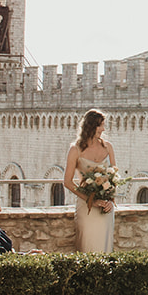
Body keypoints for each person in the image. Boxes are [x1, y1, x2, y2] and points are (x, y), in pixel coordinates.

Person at [65, 108, 116, 253]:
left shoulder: (108, 147)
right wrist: (90, 200)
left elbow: (114, 176)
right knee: (87, 247)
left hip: (105, 209)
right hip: (86, 208)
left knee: (105, 249)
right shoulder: (75, 150)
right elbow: (67, 182)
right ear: (91, 126)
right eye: (100, 125)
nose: (103, 129)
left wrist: (110, 200)